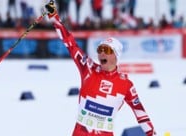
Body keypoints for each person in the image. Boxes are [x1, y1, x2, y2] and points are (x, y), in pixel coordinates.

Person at [45, 1, 156, 136]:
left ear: (116, 56)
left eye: (107, 50)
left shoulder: (126, 84)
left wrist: (152, 134)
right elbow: (70, 44)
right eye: (100, 49)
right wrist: (54, 17)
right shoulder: (88, 68)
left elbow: (140, 113)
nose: (102, 53)